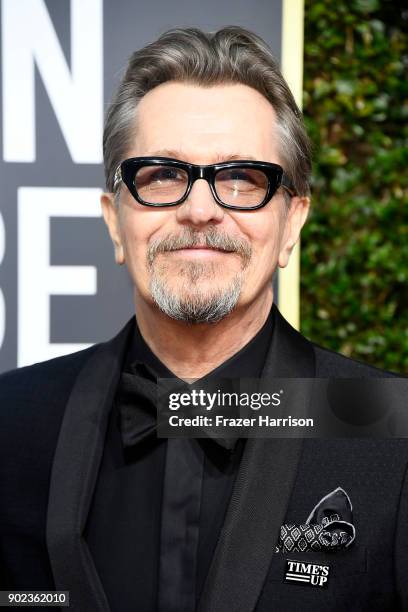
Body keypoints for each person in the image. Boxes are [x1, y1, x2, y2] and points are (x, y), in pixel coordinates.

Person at [0, 26, 406, 612]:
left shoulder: (394, 436)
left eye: (241, 178)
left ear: (291, 224)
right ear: (115, 220)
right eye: (162, 174)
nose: (199, 210)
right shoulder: (11, 424)